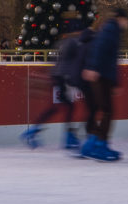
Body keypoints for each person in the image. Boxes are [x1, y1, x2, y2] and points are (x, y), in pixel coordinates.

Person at [21, 19, 93, 150]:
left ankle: (34, 130)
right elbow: (73, 61)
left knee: (58, 107)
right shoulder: (75, 42)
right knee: (69, 106)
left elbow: (58, 60)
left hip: (58, 76)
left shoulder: (63, 42)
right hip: (66, 77)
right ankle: (68, 137)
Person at [80, 8, 128, 161]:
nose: (127, 24)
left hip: (103, 75)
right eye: (127, 21)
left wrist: (115, 82)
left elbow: (110, 57)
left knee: (104, 109)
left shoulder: (110, 30)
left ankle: (94, 144)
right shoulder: (111, 30)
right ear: (121, 19)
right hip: (101, 75)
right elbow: (99, 49)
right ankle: (98, 145)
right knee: (107, 111)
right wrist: (93, 68)